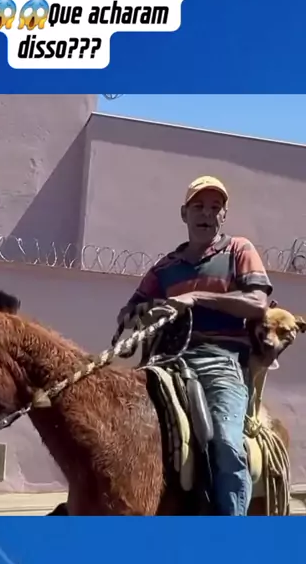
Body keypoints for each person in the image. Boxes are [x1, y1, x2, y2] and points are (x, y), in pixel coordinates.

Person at [117, 175, 273, 516]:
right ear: (184, 213)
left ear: (224, 216)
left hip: (221, 361)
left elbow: (258, 303)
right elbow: (128, 312)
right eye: (199, 206)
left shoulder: (239, 250)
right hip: (165, 362)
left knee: (225, 442)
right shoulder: (165, 268)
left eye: (215, 207)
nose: (207, 213)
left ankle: (230, 530)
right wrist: (143, 311)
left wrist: (196, 297)